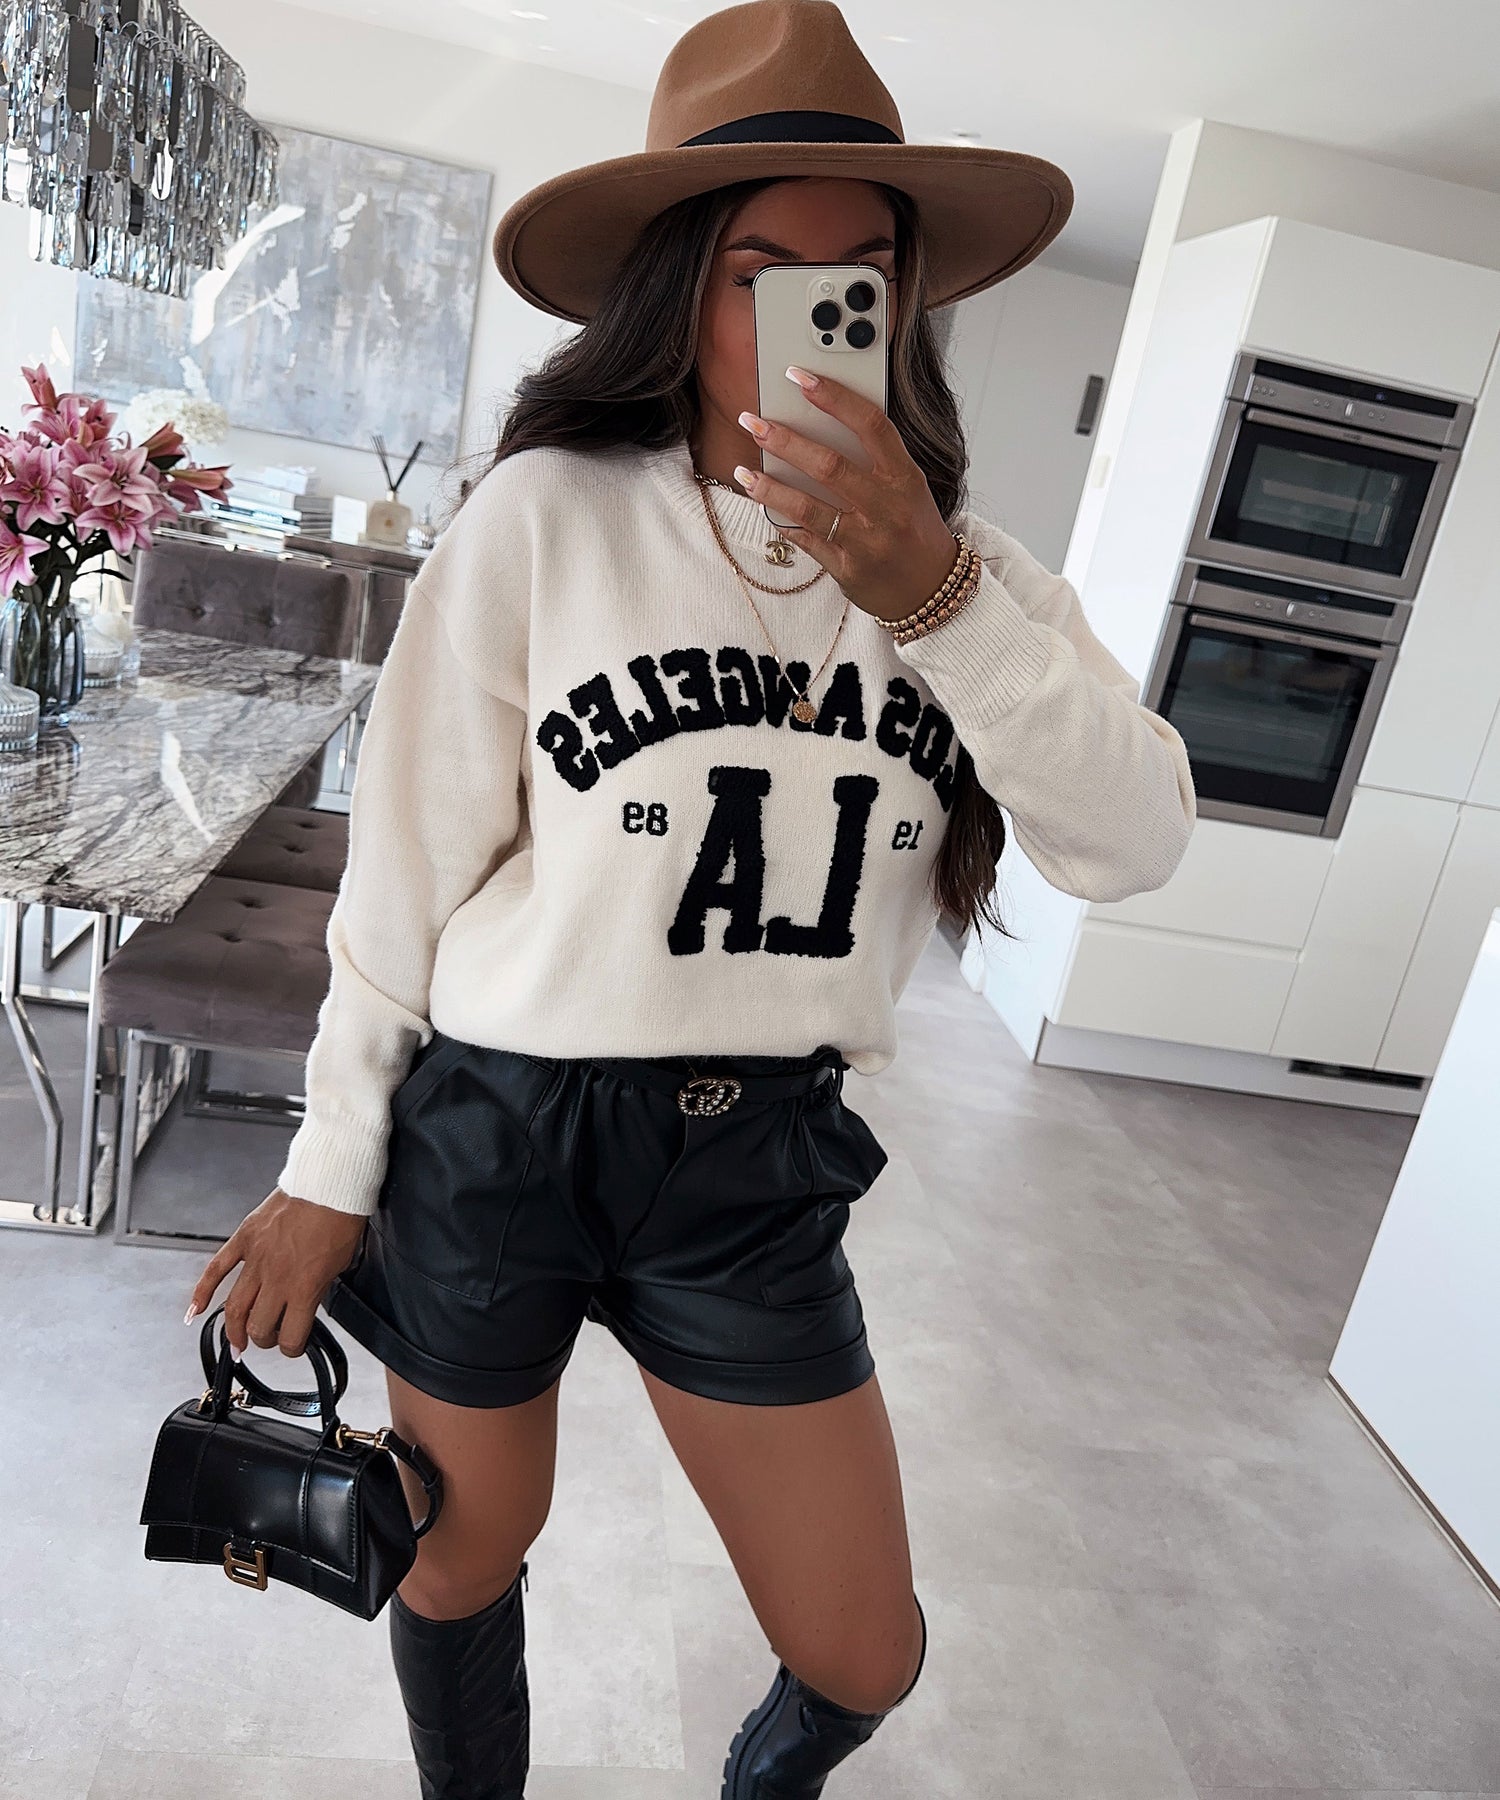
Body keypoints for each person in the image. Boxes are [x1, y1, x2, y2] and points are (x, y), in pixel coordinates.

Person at [186, 3, 1197, 1795]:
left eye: (857, 274)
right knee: (461, 1553)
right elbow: (401, 877)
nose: (813, 315)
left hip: (754, 1165)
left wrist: (935, 597)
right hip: (503, 1128)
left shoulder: (979, 580)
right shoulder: (550, 514)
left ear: (904, 300)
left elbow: (1136, 841)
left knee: (861, 1646)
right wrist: (328, 1167)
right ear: (677, 289)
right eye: (757, 274)